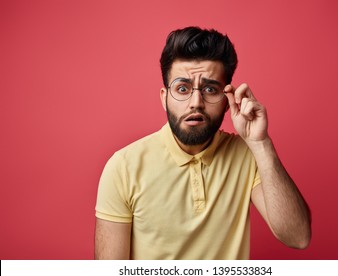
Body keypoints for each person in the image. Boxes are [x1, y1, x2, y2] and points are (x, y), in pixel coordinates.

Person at [94, 26, 311, 260]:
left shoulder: (248, 155)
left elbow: (298, 237)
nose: (196, 102)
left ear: (228, 101)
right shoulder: (123, 167)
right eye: (182, 88)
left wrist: (260, 143)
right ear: (164, 98)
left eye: (210, 89)